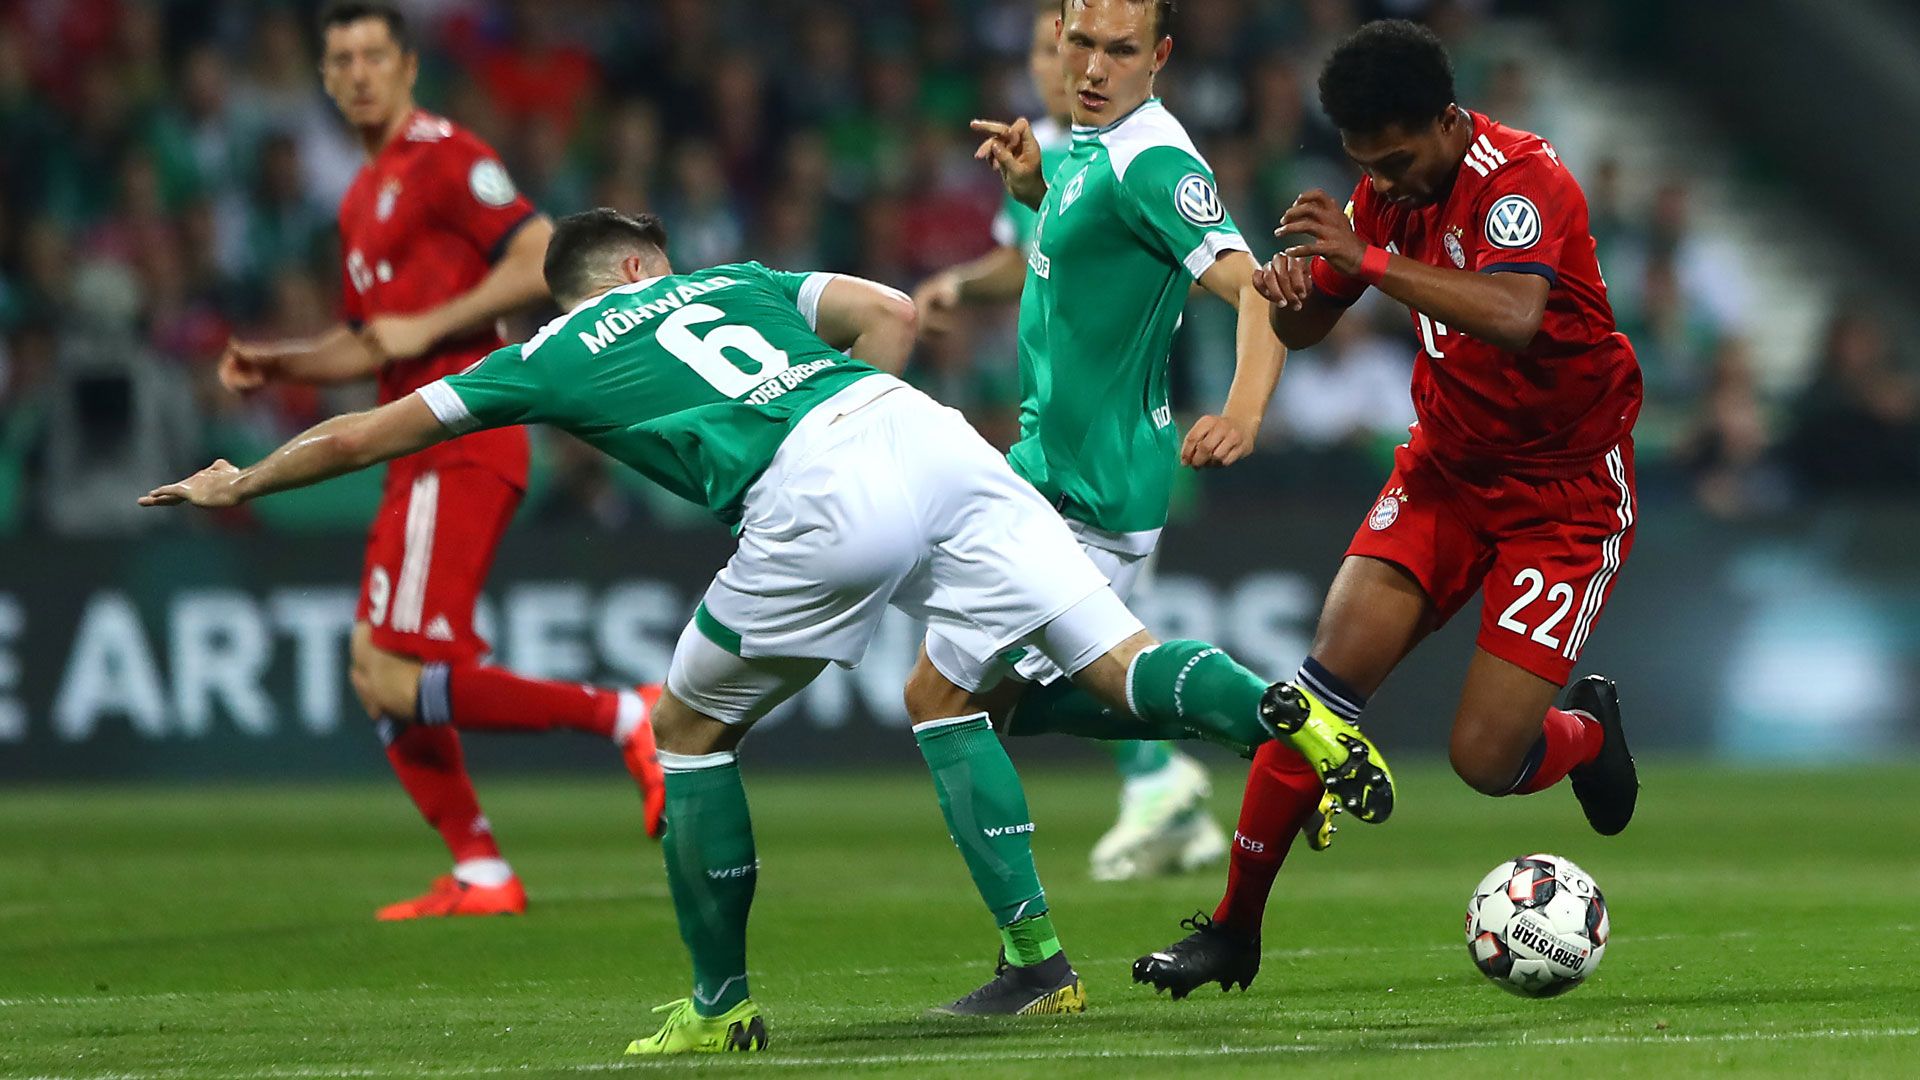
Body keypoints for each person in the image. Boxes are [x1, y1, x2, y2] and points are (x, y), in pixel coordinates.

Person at [143, 207, 1396, 1053]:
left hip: (814, 488)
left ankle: (718, 1006)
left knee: (688, 730)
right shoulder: (736, 282)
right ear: (641, 268)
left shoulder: (552, 346)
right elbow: (892, 310)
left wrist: (244, 481)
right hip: (916, 432)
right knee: (1116, 661)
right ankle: (1299, 719)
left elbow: (373, 433)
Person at [1133, 19, 1644, 998]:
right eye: (1369, 165)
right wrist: (1290, 291)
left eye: (1401, 161)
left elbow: (1513, 315)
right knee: (1315, 697)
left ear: (1449, 122)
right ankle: (1234, 930)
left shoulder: (1524, 182)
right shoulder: (1384, 194)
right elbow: (1311, 322)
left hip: (1565, 495)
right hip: (1447, 473)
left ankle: (1583, 730)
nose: (1389, 182)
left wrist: (1362, 262)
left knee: (1486, 760)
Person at [214, 2, 664, 921]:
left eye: (375, 54)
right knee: (374, 670)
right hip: (414, 442)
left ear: (408, 64)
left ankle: (627, 718)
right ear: (327, 78)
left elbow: (540, 255)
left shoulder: (446, 155)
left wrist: (430, 324)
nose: (359, 72)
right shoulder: (360, 196)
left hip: (460, 431)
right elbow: (370, 339)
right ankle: (482, 869)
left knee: (387, 670)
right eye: (340, 59)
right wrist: (285, 362)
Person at [913, 0, 1231, 884]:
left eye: (1107, 49)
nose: (1077, 67)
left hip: (1100, 470)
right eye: (1067, 47)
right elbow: (1048, 249)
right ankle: (1179, 774)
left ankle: (1238, 737)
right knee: (1026, 674)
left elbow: (1238, 284)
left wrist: (1242, 408)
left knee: (979, 685)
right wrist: (1010, 215)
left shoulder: (1141, 157)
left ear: (1153, 56)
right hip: (1052, 458)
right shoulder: (1065, 152)